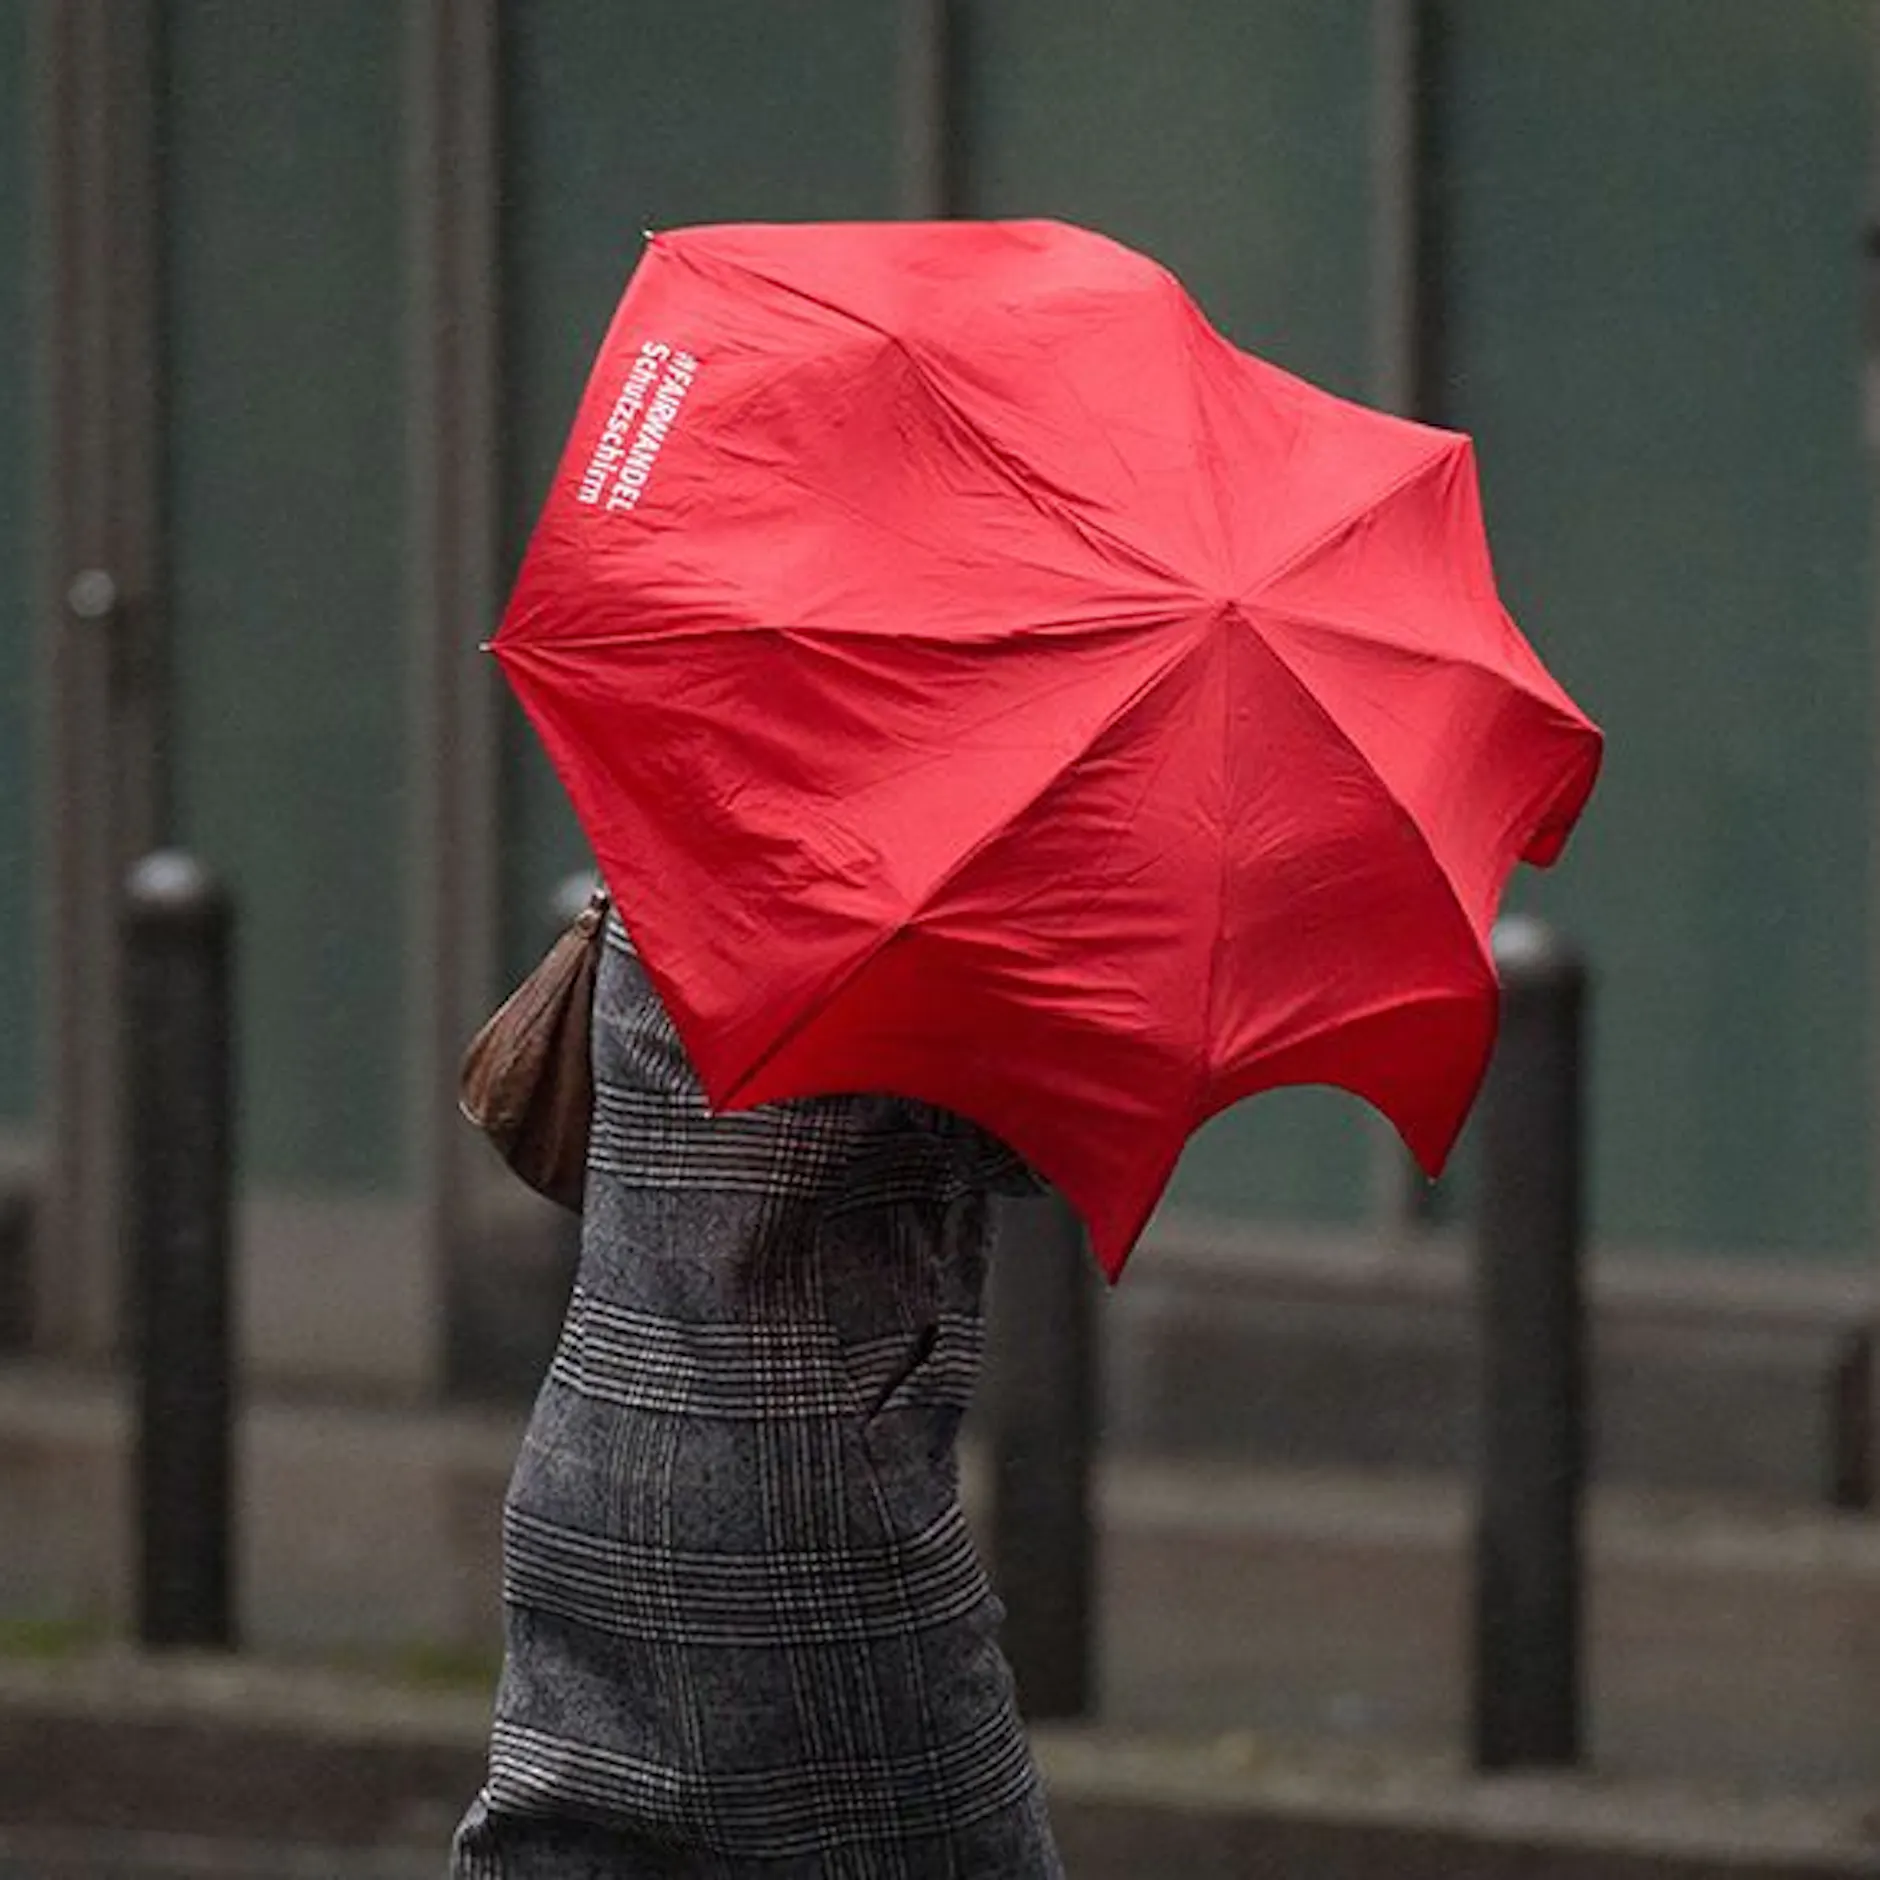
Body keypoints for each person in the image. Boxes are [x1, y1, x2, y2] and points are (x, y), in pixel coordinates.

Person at [451, 907, 1064, 1877]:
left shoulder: (686, 843)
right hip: (803, 1508)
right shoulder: (879, 911)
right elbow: (1037, 1130)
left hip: (590, 1467)